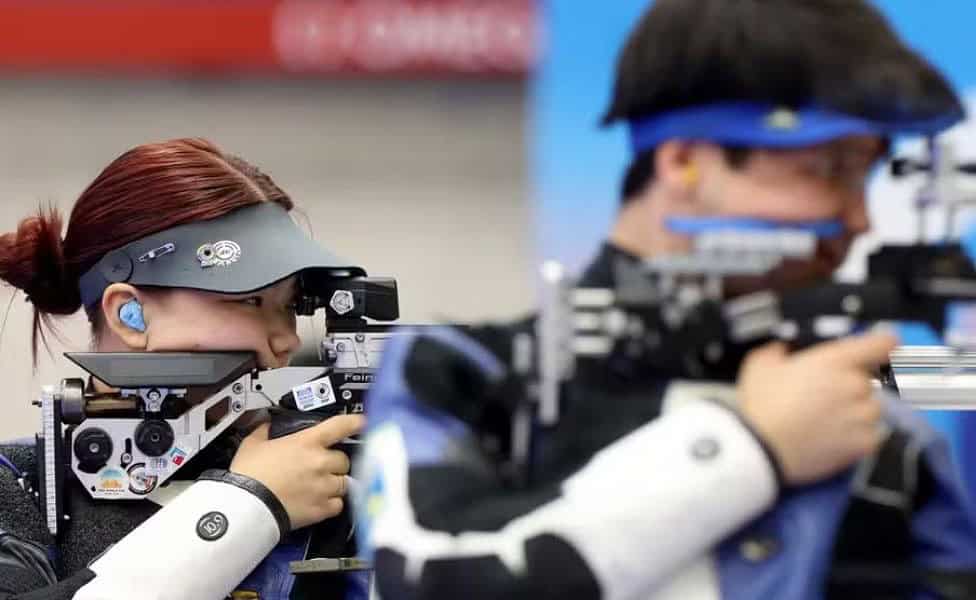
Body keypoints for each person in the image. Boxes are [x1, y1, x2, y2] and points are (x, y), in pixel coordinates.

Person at [357, 1, 976, 598]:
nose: (859, 219)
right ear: (683, 163)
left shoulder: (872, 412)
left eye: (864, 175)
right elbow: (423, 577)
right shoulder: (461, 369)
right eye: (827, 168)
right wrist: (750, 448)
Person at [0, 138, 369, 599]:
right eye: (250, 300)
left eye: (290, 305)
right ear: (128, 315)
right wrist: (248, 506)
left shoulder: (328, 481)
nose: (287, 338)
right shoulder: (18, 484)